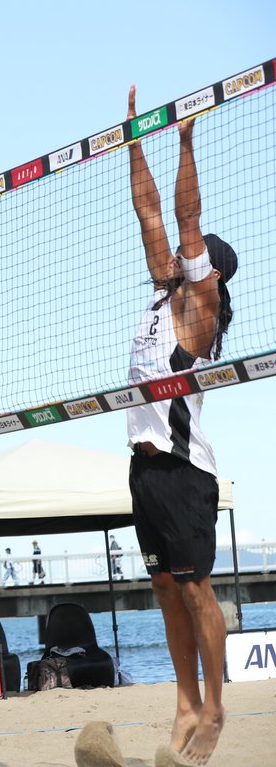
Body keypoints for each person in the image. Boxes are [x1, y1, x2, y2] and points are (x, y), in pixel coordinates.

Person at [126, 85, 236, 766]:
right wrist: (133, 140)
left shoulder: (199, 314)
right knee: (166, 589)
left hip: (184, 472)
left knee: (196, 591)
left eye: (191, 255)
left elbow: (183, 216)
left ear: (209, 274)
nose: (174, 253)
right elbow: (148, 212)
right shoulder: (158, 297)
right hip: (143, 469)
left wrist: (186, 143)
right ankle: (186, 704)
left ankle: (216, 708)